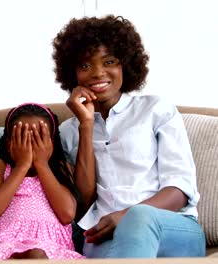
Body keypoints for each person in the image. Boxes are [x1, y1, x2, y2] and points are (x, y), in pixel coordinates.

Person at [53, 15, 206, 258]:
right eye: (85, 66)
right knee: (91, 240)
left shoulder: (156, 109)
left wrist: (125, 216)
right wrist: (87, 125)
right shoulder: (68, 131)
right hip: (103, 231)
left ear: (126, 64)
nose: (97, 73)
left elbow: (179, 190)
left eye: (109, 61)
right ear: (72, 74)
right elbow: (82, 202)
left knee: (139, 217)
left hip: (171, 226)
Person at [0, 103, 84, 260]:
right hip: (6, 245)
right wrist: (22, 165)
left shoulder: (59, 168)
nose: (30, 146)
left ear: (52, 144)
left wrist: (42, 164)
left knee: (36, 254)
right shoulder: (0, 167)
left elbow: (67, 214)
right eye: (22, 138)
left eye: (39, 138)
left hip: (52, 248)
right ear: (8, 144)